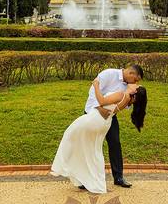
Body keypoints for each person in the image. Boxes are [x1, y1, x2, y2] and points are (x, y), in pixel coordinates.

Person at [50, 65, 147, 193]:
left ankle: (118, 177)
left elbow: (122, 103)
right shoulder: (109, 74)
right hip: (94, 113)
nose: (136, 83)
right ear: (131, 73)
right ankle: (84, 178)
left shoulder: (127, 89)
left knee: (114, 143)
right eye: (136, 80)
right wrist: (98, 109)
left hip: (108, 117)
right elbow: (92, 93)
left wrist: (106, 109)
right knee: (88, 147)